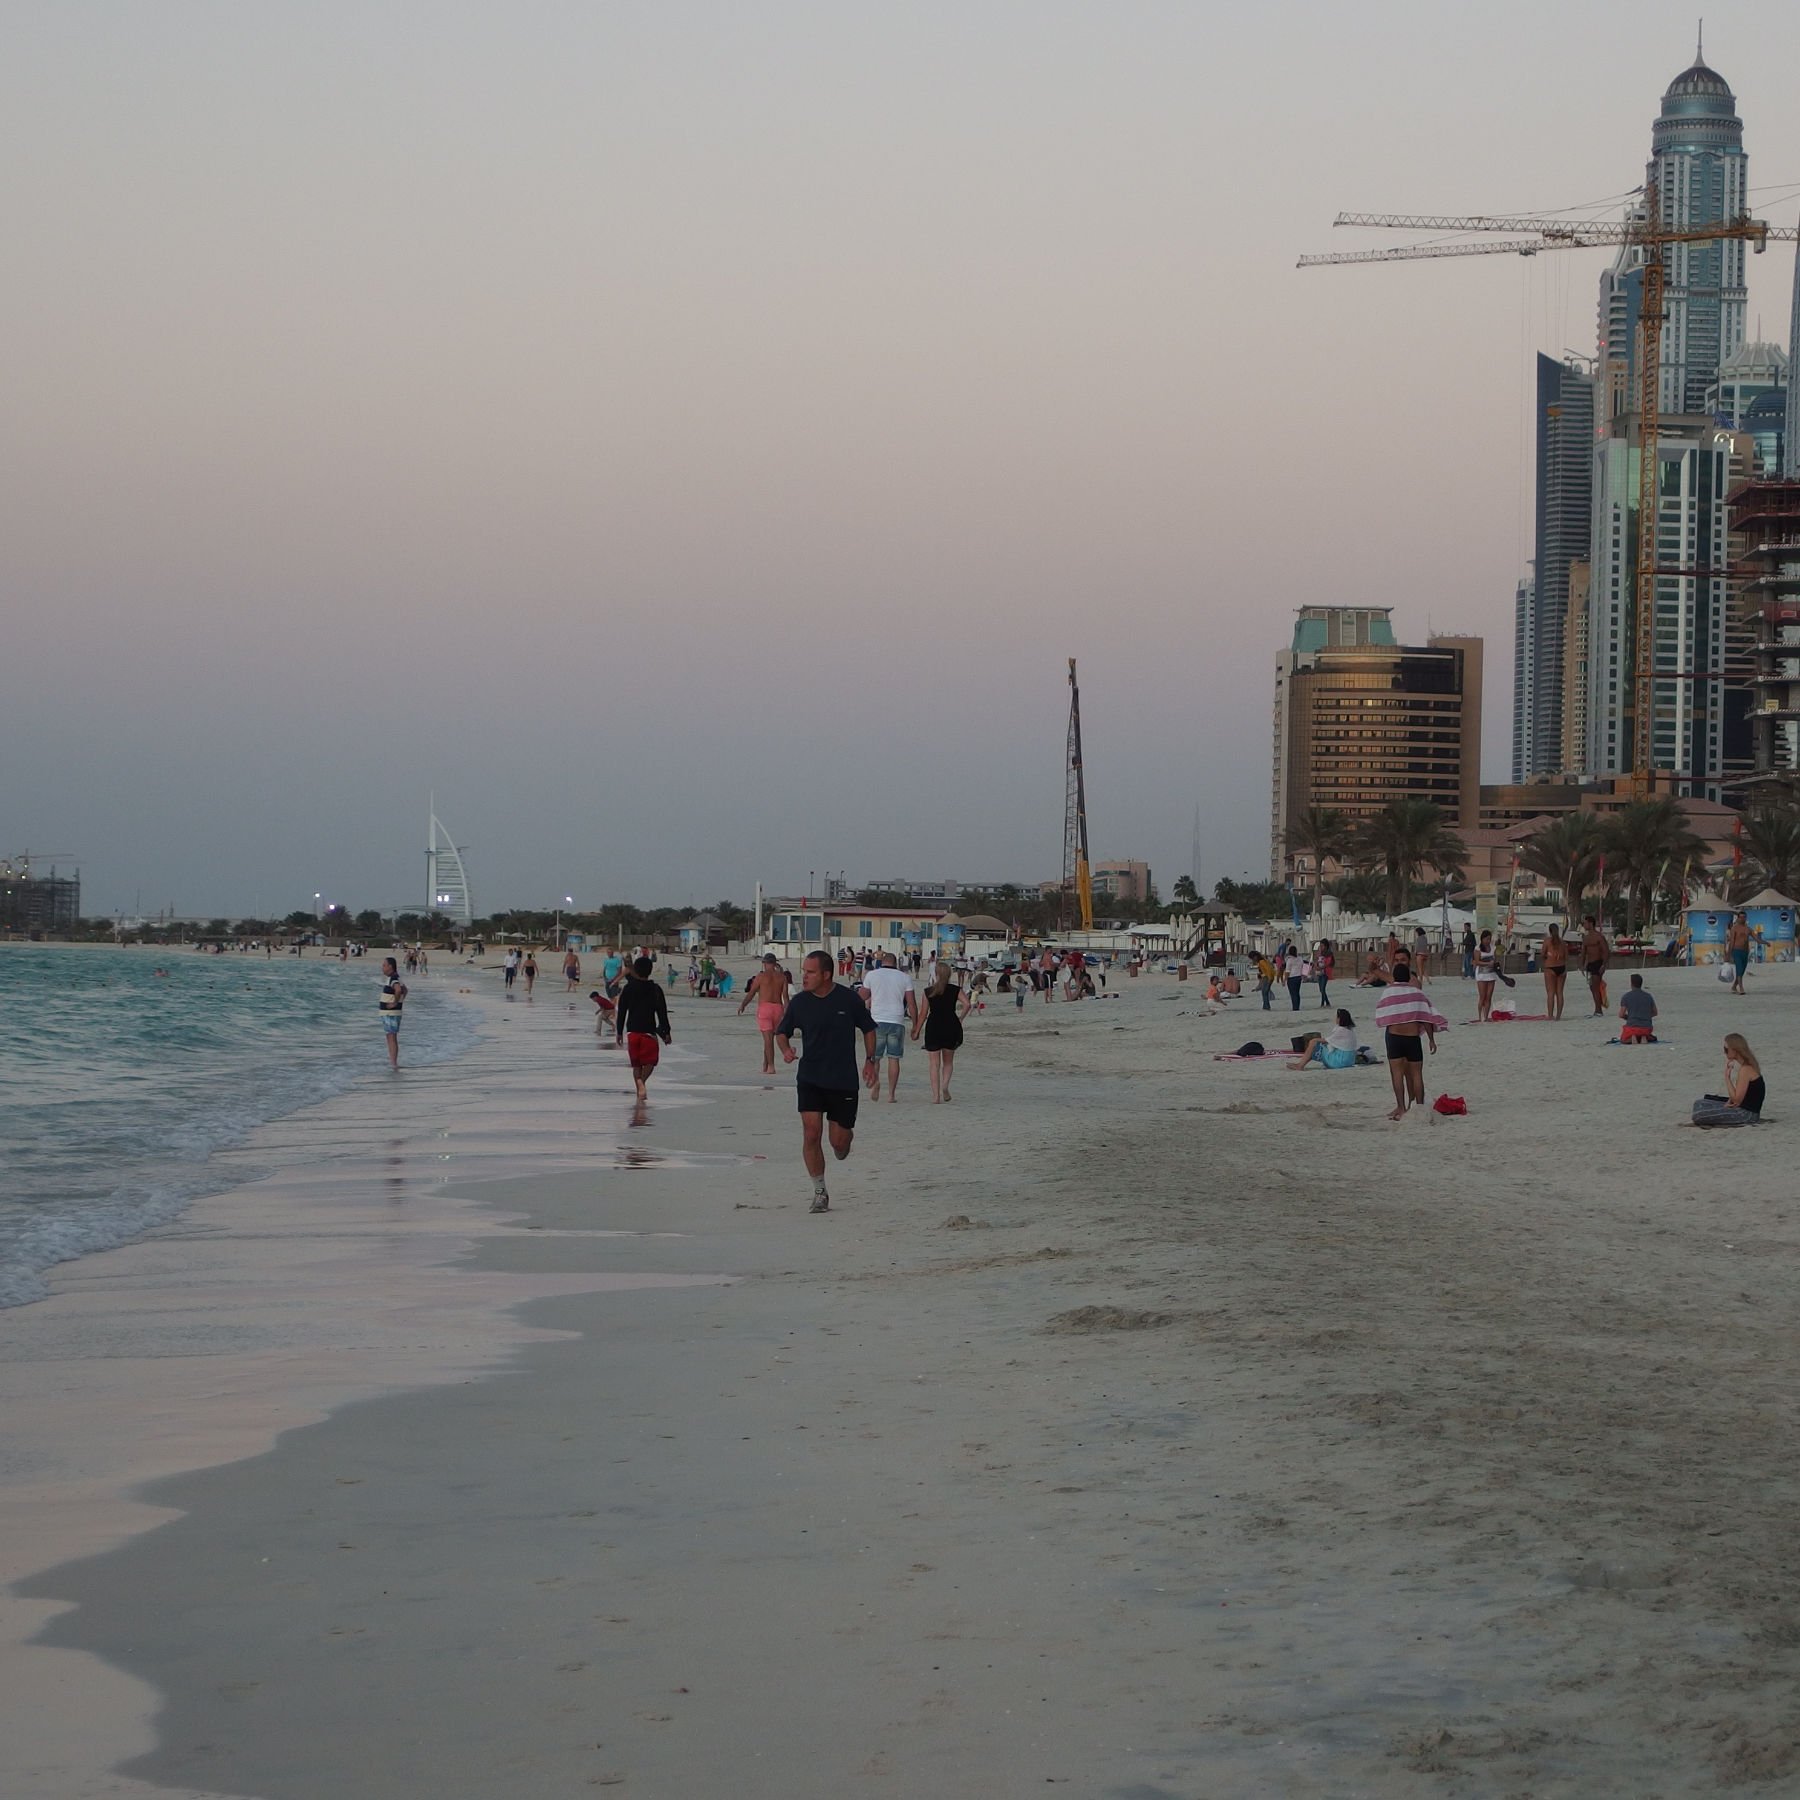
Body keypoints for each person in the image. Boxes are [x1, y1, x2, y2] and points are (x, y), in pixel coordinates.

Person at [775, 950, 879, 1213]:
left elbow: (868, 1028)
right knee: (811, 1133)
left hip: (843, 1080)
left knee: (838, 1142)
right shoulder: (799, 1003)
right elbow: (781, 1033)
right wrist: (785, 1050)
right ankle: (820, 1191)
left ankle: (845, 1140)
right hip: (810, 1077)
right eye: (804, 971)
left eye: (810, 972)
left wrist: (870, 1060)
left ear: (826, 974)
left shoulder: (848, 1000)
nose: (804, 976)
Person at [1373, 965, 1443, 1121]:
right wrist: (1431, 1040)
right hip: (1412, 1038)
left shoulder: (1388, 992)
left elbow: (1381, 1014)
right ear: (1409, 978)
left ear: (1395, 977)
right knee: (1417, 1075)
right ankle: (1420, 1107)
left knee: (1396, 1074)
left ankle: (1401, 1107)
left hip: (1394, 1037)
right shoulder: (1417, 994)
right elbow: (1425, 1018)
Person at [858, 951, 917, 1103]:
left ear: (882, 962)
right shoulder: (904, 977)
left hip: (876, 1020)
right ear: (895, 963)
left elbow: (861, 997)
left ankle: (876, 1084)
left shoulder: (872, 975)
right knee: (894, 1058)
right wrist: (916, 1025)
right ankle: (891, 1094)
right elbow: (911, 1003)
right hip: (896, 1020)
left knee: (875, 1058)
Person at [914, 958, 972, 1103]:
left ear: (936, 974)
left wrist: (916, 1030)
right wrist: (961, 1018)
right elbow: (967, 1004)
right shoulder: (955, 989)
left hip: (934, 1026)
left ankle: (936, 1096)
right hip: (951, 1024)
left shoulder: (928, 991)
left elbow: (923, 1014)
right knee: (948, 1061)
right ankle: (945, 1086)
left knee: (934, 1063)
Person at [738, 954, 794, 1075]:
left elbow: (751, 992)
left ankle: (771, 1067)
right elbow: (785, 997)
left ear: (764, 963)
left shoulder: (761, 976)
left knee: (768, 1041)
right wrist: (788, 1013)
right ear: (775, 964)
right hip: (778, 1009)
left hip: (765, 1008)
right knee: (769, 1039)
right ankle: (765, 1064)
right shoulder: (782, 977)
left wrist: (743, 1004)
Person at [1693, 1033, 1765, 1127]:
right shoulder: (1747, 1067)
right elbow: (1743, 1094)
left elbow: (1737, 1100)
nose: (1725, 1052)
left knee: (1698, 1115)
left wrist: (1727, 1077)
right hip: (1743, 1108)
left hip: (1746, 1114)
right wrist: (1729, 1101)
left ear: (1735, 1050)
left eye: (1726, 1050)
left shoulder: (1746, 1069)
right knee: (1700, 1103)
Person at [1289, 1008, 1359, 1071]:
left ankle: (1300, 1065)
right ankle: (1300, 1064)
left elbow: (1327, 1040)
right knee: (1317, 1044)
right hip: (1349, 1060)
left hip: (1340, 1061)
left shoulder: (1342, 1030)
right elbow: (1333, 1042)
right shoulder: (1349, 1030)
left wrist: (1314, 1040)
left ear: (1340, 1019)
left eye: (1337, 1017)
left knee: (1313, 1043)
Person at [377, 956, 407, 1069]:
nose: (382, 968)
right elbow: (405, 990)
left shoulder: (393, 978)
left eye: (384, 965)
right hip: (393, 1012)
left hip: (391, 1013)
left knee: (391, 1037)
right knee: (391, 1036)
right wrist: (400, 1002)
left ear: (390, 966)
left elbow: (399, 990)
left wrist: (395, 1003)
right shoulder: (396, 977)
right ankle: (393, 1061)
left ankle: (394, 1063)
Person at [1580, 916, 1609, 1016]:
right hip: (1590, 964)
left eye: (1585, 923)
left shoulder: (1599, 937)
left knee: (1596, 987)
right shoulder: (1586, 938)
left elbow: (1605, 951)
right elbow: (1583, 952)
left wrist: (1604, 965)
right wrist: (1582, 965)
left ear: (1591, 923)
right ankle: (1597, 1009)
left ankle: (1598, 1010)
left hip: (1597, 963)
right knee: (1592, 988)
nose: (1584, 925)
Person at [1618, 973, 1659, 1044]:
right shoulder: (1648, 996)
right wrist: (1645, 1016)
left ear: (1631, 984)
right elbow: (1655, 1012)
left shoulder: (1626, 996)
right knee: (1649, 1036)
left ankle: (1634, 1037)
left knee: (1624, 1039)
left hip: (1632, 1026)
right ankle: (1643, 1036)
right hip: (1646, 1027)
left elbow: (1621, 1014)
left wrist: (1629, 1017)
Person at [1540, 923, 1568, 1021]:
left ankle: (1550, 1015)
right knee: (1560, 993)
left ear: (1550, 931)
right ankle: (1558, 1016)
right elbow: (1566, 957)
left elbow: (1542, 954)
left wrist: (1548, 957)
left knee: (1550, 993)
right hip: (1562, 967)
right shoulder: (1563, 943)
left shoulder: (1547, 941)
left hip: (1550, 968)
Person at [1472, 929, 1499, 1021]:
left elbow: (1495, 959)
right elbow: (1477, 961)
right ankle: (1480, 1016)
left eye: (1489, 939)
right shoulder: (1477, 948)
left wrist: (1495, 964)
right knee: (1482, 996)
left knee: (1489, 996)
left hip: (1491, 974)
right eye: (1487, 939)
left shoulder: (1493, 947)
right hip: (1481, 974)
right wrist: (1487, 963)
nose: (1488, 941)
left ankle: (1486, 1016)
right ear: (1482, 939)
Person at [1726, 910, 1752, 995]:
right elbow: (1732, 941)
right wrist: (1729, 954)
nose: (1742, 919)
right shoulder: (1734, 928)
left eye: (1744, 917)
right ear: (1738, 918)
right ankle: (1741, 988)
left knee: (1741, 971)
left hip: (1745, 952)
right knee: (1739, 969)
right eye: (1740, 917)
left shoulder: (1747, 928)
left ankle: (1734, 987)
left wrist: (1765, 942)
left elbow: (1754, 937)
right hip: (1736, 951)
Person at [1314, 941, 1334, 1008]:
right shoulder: (1319, 953)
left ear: (1325, 946)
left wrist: (1321, 967)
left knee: (1323, 988)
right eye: (1320, 946)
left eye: (1322, 945)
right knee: (1321, 989)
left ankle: (1323, 1003)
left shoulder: (1329, 953)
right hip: (1320, 972)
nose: (1321, 947)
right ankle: (1327, 1002)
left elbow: (1328, 963)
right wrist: (1316, 966)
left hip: (1325, 972)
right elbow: (1316, 960)